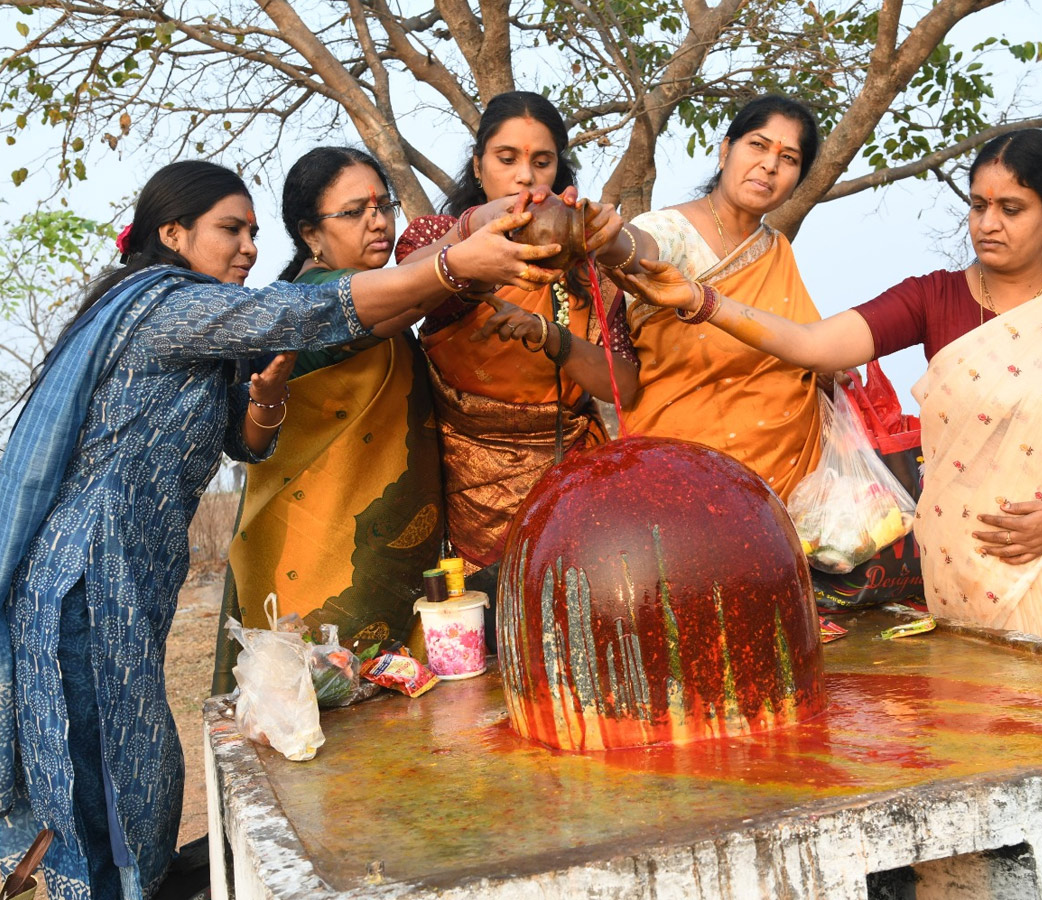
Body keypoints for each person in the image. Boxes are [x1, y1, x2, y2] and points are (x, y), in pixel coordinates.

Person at [0, 160, 561, 899]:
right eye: (230, 230)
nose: (248, 248)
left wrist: (264, 399)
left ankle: (139, 882)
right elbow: (301, 312)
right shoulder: (167, 306)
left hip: (133, 577)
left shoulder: (205, 329)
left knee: (139, 763)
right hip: (86, 572)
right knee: (102, 774)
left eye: (253, 232)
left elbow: (246, 442)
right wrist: (453, 264)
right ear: (172, 234)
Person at [613, 129, 1042, 672]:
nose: (988, 224)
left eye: (1011, 208)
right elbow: (813, 345)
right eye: (978, 205)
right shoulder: (934, 297)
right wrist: (700, 299)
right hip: (953, 578)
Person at [393, 90, 639, 617]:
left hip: (570, 489)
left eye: (541, 162)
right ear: (478, 166)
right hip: (465, 493)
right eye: (507, 159)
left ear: (558, 172)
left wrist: (553, 338)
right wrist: (471, 235)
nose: (525, 177)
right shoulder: (441, 238)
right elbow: (401, 288)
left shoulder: (585, 260)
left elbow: (624, 385)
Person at [211, 147, 444, 694]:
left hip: (378, 553)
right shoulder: (311, 301)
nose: (378, 222)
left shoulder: (379, 294)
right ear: (311, 234)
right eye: (355, 211)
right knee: (319, 706)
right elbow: (409, 297)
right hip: (318, 562)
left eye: (383, 207)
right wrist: (463, 257)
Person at [608, 95, 826, 499]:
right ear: (726, 151)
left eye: (788, 158)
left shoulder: (775, 249)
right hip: (681, 471)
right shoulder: (671, 228)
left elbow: (808, 346)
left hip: (787, 483)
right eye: (758, 145)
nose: (770, 165)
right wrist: (607, 237)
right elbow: (638, 248)